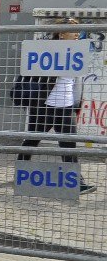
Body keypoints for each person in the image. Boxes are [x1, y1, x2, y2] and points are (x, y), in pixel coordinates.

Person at [17, 18, 96, 194]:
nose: (77, 34)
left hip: (66, 107)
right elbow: (36, 75)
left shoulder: (77, 53)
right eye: (72, 31)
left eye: (78, 31)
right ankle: (20, 170)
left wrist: (77, 103)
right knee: (31, 140)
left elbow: (77, 82)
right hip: (44, 107)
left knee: (69, 145)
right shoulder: (47, 52)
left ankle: (77, 182)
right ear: (61, 34)